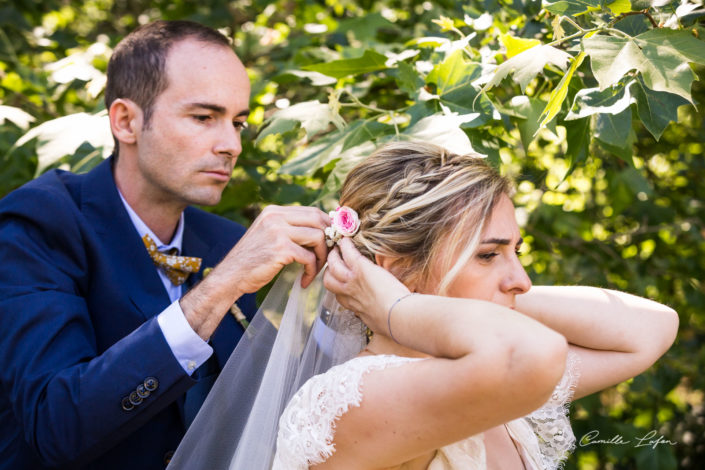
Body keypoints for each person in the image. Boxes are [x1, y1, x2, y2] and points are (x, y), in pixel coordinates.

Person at [169, 141, 679, 470]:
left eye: (515, 252)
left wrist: (484, 297)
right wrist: (396, 310)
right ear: (390, 271)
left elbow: (650, 330)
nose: (519, 280)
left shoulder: (478, 376)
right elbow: (529, 353)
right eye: (488, 255)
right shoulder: (353, 399)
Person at [0, 20, 329, 470]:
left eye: (238, 122)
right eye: (203, 117)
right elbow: (56, 425)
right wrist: (221, 287)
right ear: (126, 121)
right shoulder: (42, 222)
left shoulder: (224, 240)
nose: (231, 144)